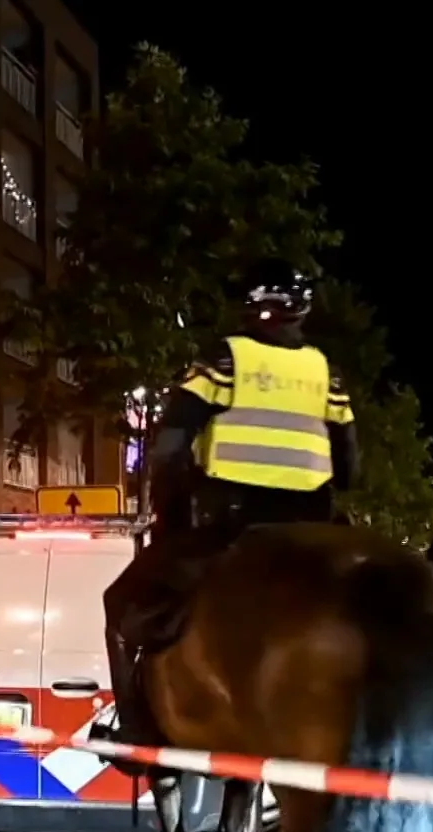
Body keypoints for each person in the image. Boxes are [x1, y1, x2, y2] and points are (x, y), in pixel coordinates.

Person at [102, 258, 360, 757]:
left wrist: (171, 506)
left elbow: (172, 443)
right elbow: (350, 465)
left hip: (232, 523)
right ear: (303, 311)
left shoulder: (224, 361)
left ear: (248, 307)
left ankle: (134, 729)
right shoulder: (326, 372)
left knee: (120, 605)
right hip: (313, 523)